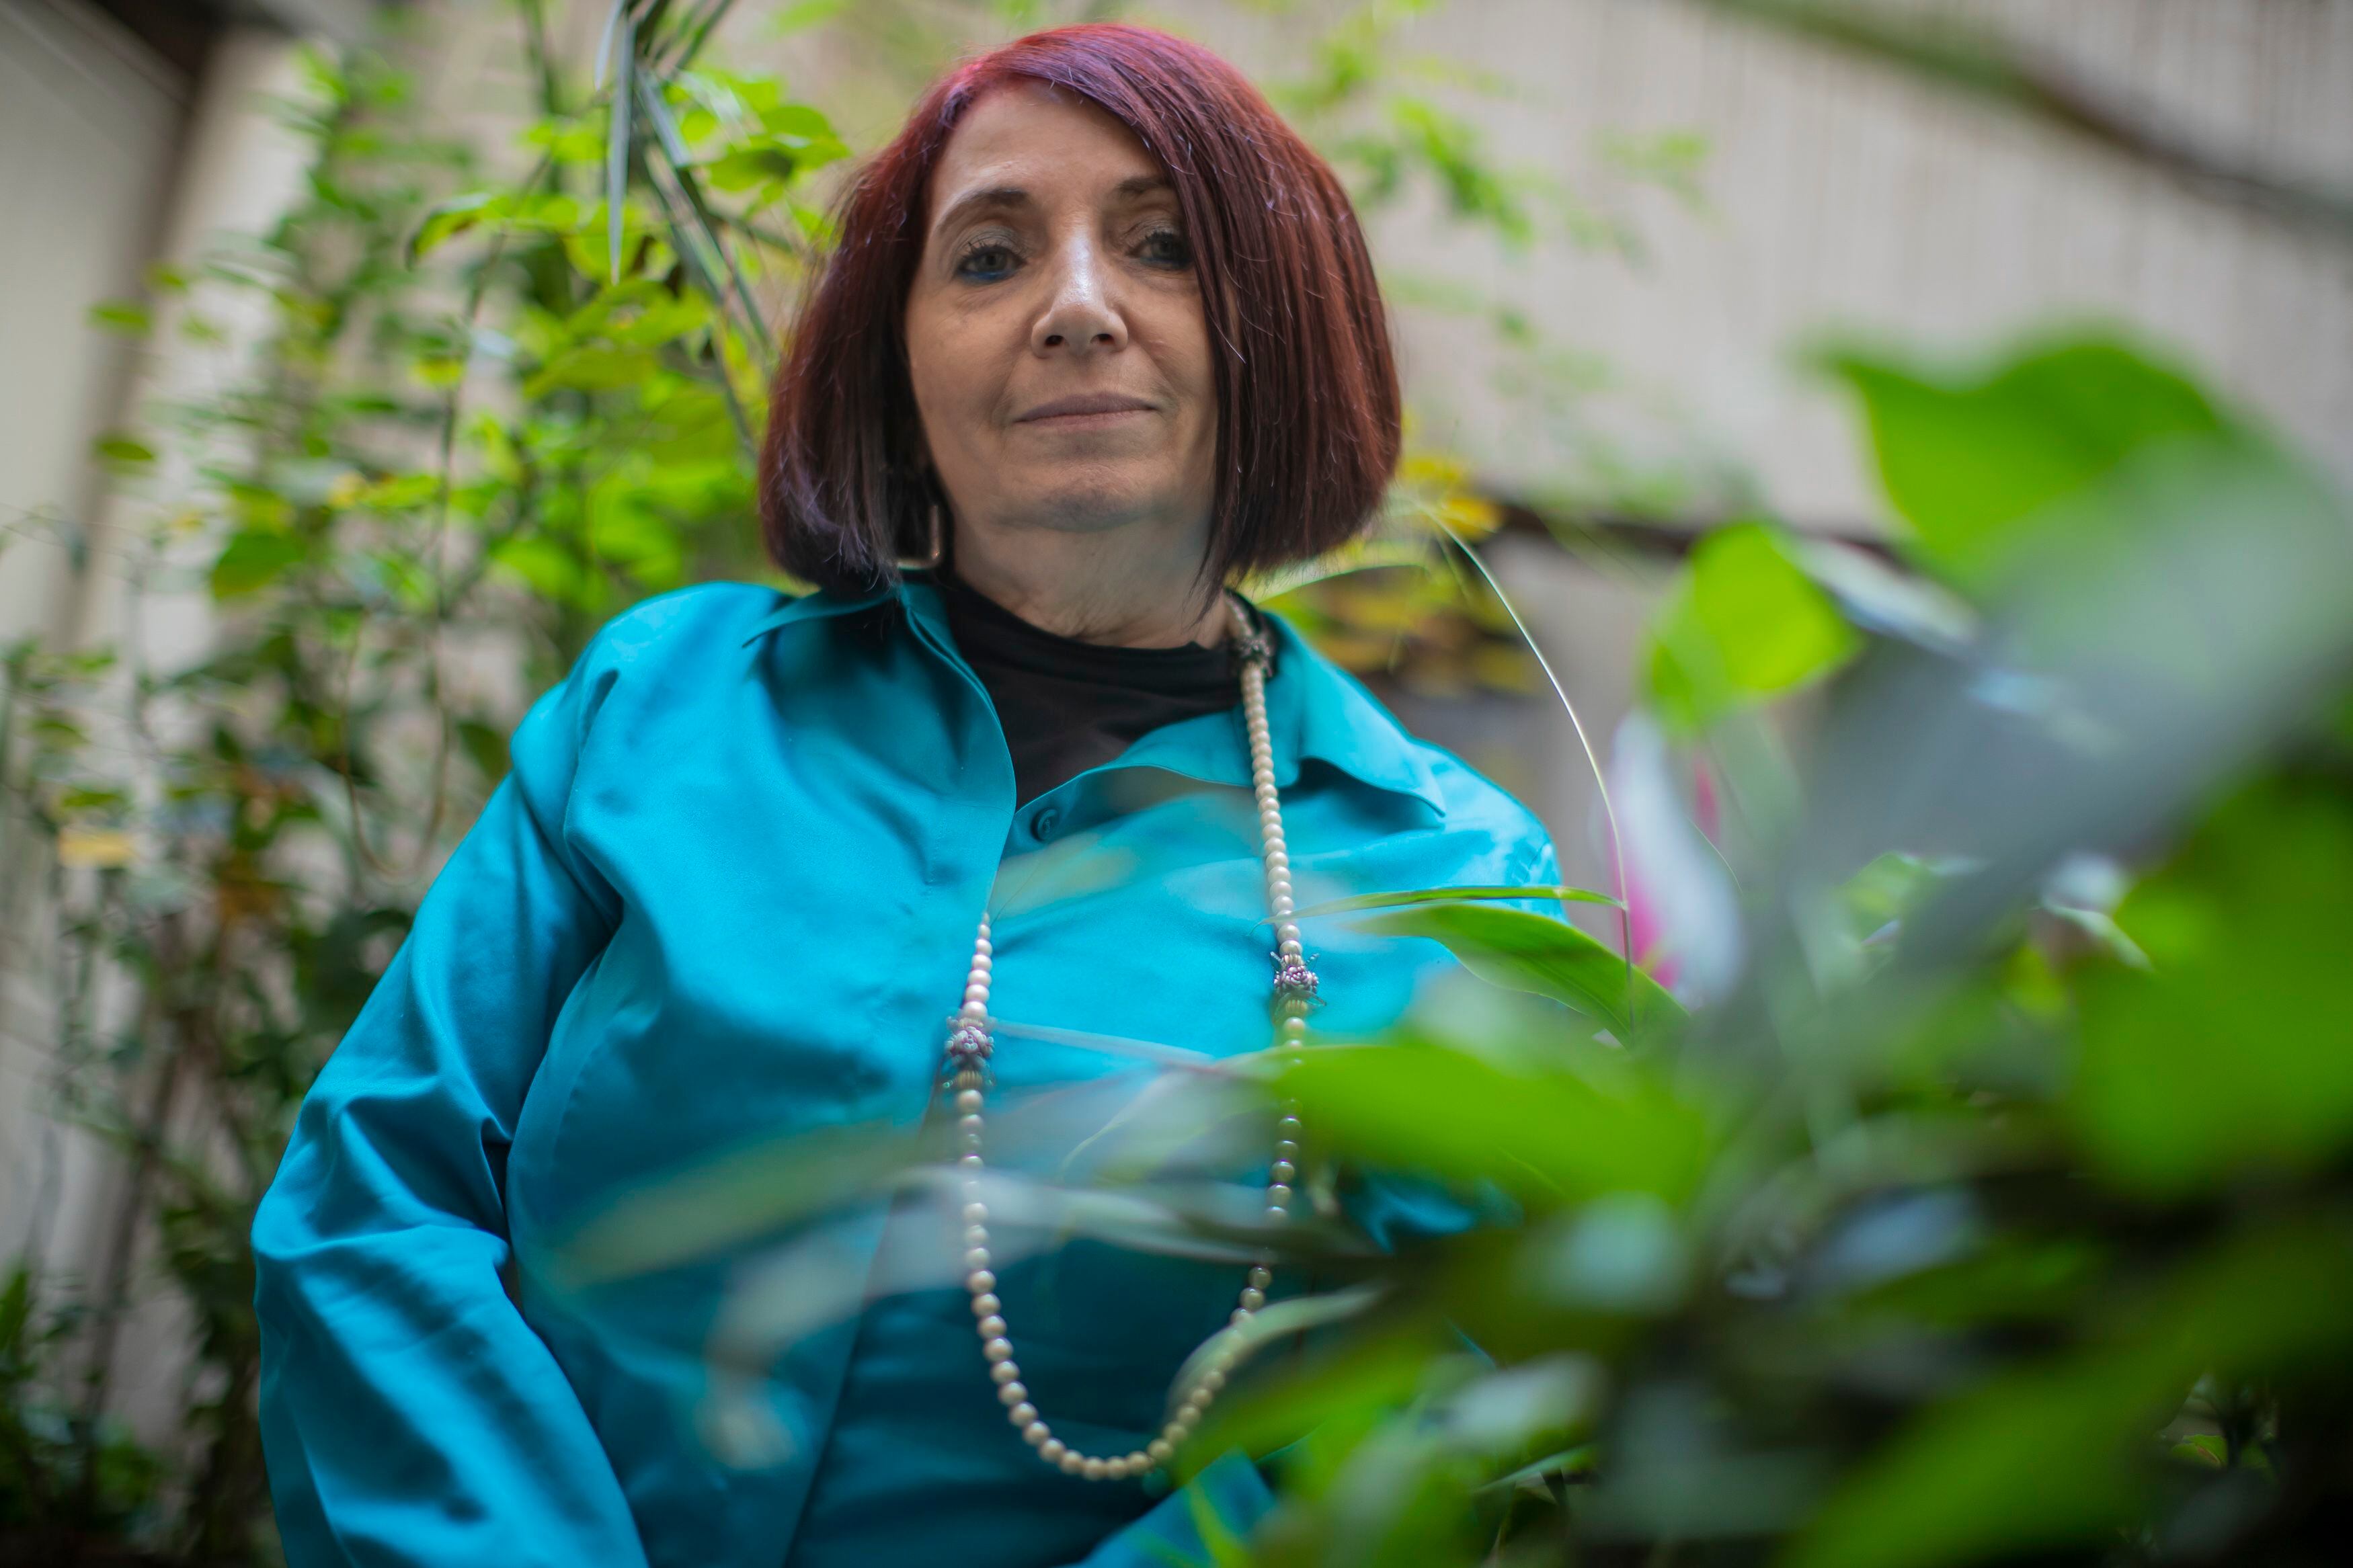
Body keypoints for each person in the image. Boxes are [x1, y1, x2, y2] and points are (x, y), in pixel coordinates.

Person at [251, 22, 1560, 1568]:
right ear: (898, 363)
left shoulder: (1454, 868)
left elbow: (1415, 1413)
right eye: (989, 258)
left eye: (1162, 245)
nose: (1077, 308)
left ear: (1284, 325)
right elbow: (374, 1204)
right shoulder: (654, 705)